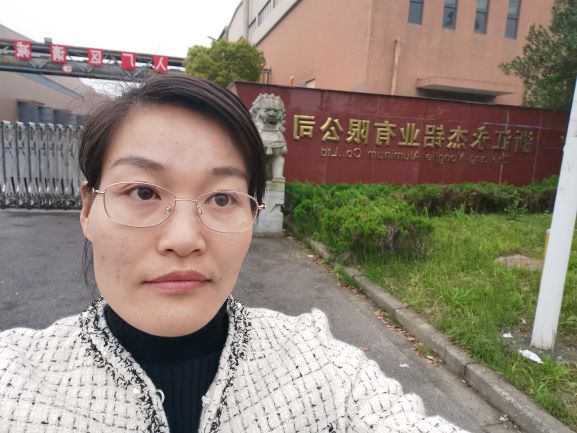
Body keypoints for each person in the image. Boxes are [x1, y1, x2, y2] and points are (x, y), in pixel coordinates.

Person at [0, 75, 469, 433]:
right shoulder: (16, 381)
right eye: (143, 192)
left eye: (222, 198)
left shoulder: (317, 367)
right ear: (88, 209)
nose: (184, 239)